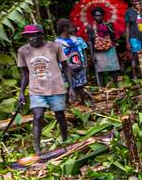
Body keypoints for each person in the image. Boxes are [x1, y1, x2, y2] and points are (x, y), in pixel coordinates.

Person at [17, 23, 71, 157]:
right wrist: (22, 92)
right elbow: (24, 74)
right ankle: (37, 148)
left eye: (35, 35)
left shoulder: (54, 47)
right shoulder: (23, 51)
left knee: (60, 116)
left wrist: (71, 87)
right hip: (36, 90)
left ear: (42, 35)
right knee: (38, 116)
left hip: (56, 88)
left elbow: (65, 67)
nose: (32, 39)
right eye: (29, 36)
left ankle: (66, 140)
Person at [54, 18, 91, 106]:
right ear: (65, 29)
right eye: (71, 27)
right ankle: (71, 104)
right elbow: (57, 58)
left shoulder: (76, 40)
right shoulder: (57, 43)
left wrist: (84, 64)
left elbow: (82, 52)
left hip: (79, 66)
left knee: (81, 86)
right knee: (69, 88)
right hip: (66, 69)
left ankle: (84, 102)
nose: (73, 28)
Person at [88, 7, 121, 86]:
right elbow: (90, 41)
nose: (98, 17)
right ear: (93, 16)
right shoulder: (90, 27)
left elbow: (113, 37)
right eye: (96, 15)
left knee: (114, 69)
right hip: (98, 50)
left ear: (103, 16)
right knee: (100, 70)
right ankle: (101, 88)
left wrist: (108, 28)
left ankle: (116, 85)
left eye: (100, 15)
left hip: (109, 48)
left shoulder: (108, 24)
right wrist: (92, 56)